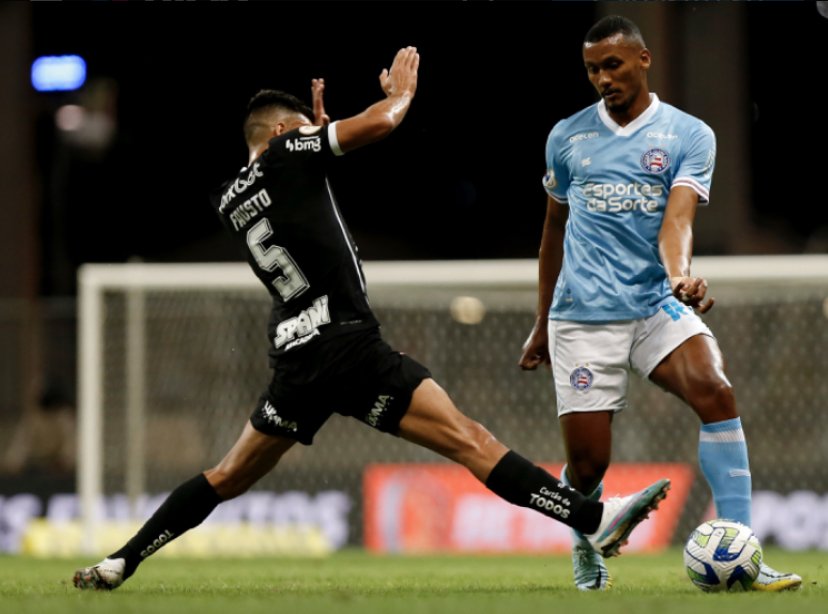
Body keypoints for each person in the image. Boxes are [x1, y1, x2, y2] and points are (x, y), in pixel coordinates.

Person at [73, 47, 670, 591]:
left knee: (227, 475)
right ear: (283, 131)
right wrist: (399, 96)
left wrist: (316, 134)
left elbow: (296, 190)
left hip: (296, 358)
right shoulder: (289, 151)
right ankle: (594, 518)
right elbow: (379, 124)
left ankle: (121, 560)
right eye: (302, 130)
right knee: (471, 441)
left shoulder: (232, 195)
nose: (312, 135)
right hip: (347, 345)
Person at [518, 17, 801, 592]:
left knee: (715, 390)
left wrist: (681, 276)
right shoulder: (567, 137)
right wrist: (542, 321)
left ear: (643, 59)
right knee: (590, 466)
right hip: (582, 315)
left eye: (613, 65)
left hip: (653, 303)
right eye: (593, 69)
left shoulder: (689, 134)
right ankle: (586, 543)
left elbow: (677, 220)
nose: (602, 78)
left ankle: (742, 552)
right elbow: (553, 233)